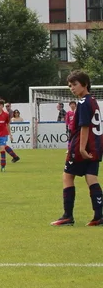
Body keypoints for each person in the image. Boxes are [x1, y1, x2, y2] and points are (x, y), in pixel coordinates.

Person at [52, 71, 103, 226]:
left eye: (74, 84)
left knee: (67, 176)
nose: (72, 88)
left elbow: (84, 126)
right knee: (91, 177)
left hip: (82, 146)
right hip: (96, 145)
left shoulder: (82, 102)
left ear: (85, 84)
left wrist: (80, 149)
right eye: (70, 86)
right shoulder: (93, 101)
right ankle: (99, 216)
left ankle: (67, 216)